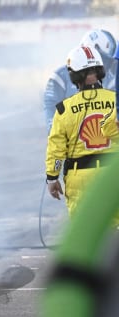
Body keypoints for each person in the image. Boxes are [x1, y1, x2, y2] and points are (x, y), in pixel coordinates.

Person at [45, 45, 118, 218]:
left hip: (80, 178)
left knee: (87, 237)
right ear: (100, 71)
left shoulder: (64, 109)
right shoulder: (116, 101)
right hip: (113, 174)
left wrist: (52, 178)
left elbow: (56, 150)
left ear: (74, 75)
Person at [43, 29, 117, 133]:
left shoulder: (113, 77)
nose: (106, 65)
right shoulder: (60, 78)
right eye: (104, 59)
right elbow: (50, 112)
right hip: (73, 142)